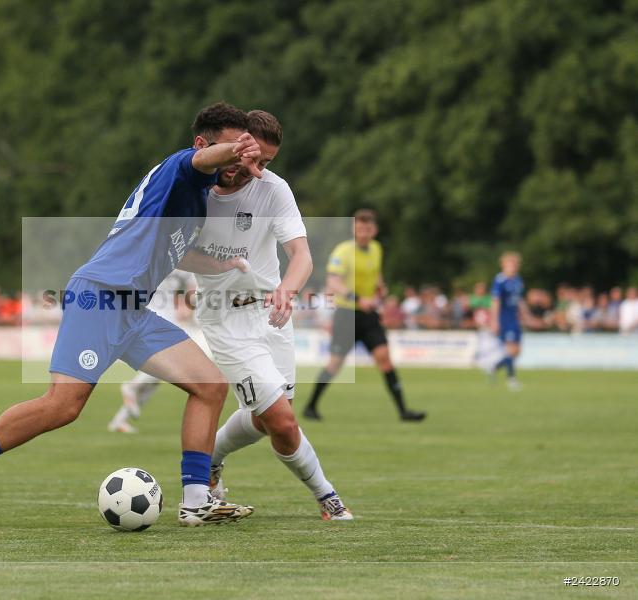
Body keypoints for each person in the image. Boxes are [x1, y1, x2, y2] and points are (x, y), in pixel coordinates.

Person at [0, 102, 262, 530]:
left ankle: (197, 501)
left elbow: (179, 253)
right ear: (203, 144)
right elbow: (203, 161)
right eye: (231, 148)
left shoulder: (195, 199)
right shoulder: (182, 168)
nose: (237, 160)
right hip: (102, 295)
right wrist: (237, 149)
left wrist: (223, 264)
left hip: (134, 310)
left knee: (210, 385)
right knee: (63, 405)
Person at [186, 110, 352, 520]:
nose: (258, 169)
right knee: (282, 422)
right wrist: (216, 266)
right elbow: (174, 251)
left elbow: (301, 255)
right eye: (253, 158)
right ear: (236, 145)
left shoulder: (274, 189)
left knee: (265, 422)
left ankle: (211, 459)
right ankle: (329, 499)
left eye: (267, 162)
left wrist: (286, 290)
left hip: (272, 316)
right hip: (225, 321)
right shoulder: (194, 188)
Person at [303, 209, 426, 422]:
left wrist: (380, 287)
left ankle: (404, 411)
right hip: (346, 315)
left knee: (385, 359)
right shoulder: (343, 251)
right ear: (354, 229)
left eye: (367, 229)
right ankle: (310, 406)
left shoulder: (376, 249)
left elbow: (376, 274)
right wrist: (358, 298)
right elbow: (333, 281)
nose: (363, 233)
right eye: (359, 229)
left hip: (369, 316)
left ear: (374, 230)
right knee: (335, 364)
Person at [107, 269, 198, 434]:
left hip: (165, 316)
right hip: (156, 317)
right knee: (166, 367)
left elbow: (191, 290)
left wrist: (187, 309)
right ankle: (131, 387)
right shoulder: (157, 256)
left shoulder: (187, 262)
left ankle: (120, 420)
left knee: (157, 377)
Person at [489, 251, 529, 391]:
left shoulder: (518, 280)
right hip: (504, 319)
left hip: (514, 319)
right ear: (504, 265)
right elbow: (495, 301)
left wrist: (527, 316)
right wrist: (494, 321)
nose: (514, 267)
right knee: (511, 350)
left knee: (517, 351)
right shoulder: (500, 280)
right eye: (511, 264)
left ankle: (495, 366)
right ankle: (511, 379)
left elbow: (519, 301)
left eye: (516, 264)